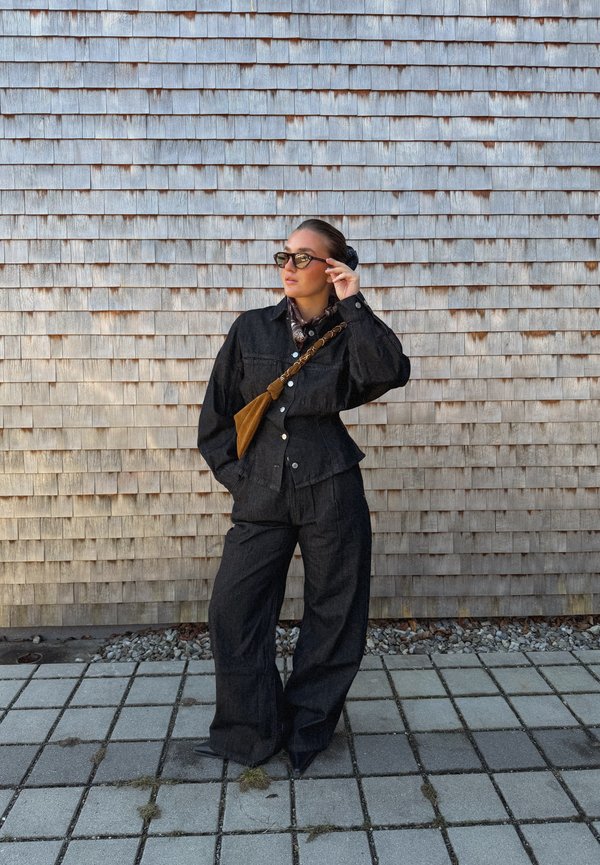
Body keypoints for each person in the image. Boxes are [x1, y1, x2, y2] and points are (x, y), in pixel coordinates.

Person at [195, 219, 410, 776]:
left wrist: (354, 301)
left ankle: (309, 728)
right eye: (284, 256)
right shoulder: (251, 330)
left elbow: (390, 372)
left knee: (333, 612)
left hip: (331, 488)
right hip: (261, 494)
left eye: (303, 257)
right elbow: (216, 418)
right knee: (233, 611)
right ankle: (248, 731)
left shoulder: (351, 330)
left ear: (333, 268)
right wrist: (241, 480)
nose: (288, 267)